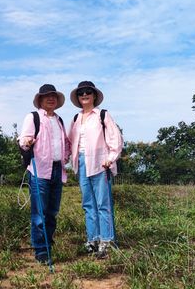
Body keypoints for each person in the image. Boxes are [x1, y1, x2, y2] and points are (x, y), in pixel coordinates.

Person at [68, 81, 123, 258]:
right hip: (82, 163)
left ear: (94, 95)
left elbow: (115, 139)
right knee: (88, 204)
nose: (84, 95)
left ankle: (106, 241)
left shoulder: (102, 115)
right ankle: (92, 239)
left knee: (102, 203)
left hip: (100, 162)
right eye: (81, 93)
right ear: (78, 97)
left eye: (88, 92)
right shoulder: (76, 119)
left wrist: (110, 158)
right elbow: (70, 143)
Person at [18, 84, 71, 264]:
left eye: (53, 96)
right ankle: (41, 250)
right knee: (39, 213)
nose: (51, 98)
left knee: (52, 211)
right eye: (46, 96)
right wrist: (26, 142)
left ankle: (49, 244)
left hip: (57, 169)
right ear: (40, 100)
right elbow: (23, 140)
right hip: (40, 169)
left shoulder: (59, 120)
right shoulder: (33, 117)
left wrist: (66, 157)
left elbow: (65, 143)